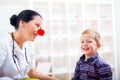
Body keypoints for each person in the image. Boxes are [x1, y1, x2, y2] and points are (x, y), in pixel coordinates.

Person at [0, 9, 58, 80]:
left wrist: (52, 79)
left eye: (41, 28)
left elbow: (32, 72)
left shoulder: (28, 48)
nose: (40, 31)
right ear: (22, 24)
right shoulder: (2, 43)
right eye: (37, 25)